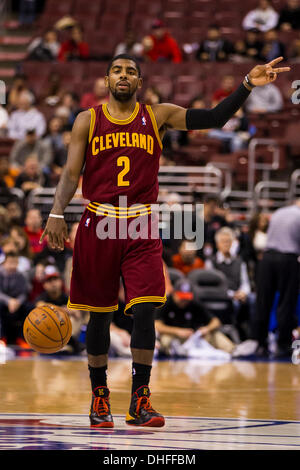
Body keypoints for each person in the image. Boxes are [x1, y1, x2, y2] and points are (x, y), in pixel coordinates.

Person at [40, 53, 290, 428]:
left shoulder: (157, 115)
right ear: (107, 80)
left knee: (145, 309)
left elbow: (214, 118)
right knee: (100, 314)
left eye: (131, 72)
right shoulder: (87, 120)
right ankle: (100, 396)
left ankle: (140, 399)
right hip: (99, 222)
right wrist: (57, 213)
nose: (123, 76)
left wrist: (248, 84)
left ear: (139, 83)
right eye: (117, 71)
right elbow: (71, 172)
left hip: (140, 223)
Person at [251, 199, 300, 358]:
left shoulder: (279, 212)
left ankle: (260, 343)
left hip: (267, 258)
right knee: (286, 302)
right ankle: (283, 344)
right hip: (288, 259)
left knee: (262, 301)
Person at [155, 278, 235, 356]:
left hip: (193, 337)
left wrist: (206, 329)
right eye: (181, 297)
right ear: (174, 293)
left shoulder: (194, 302)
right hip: (174, 336)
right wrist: (177, 331)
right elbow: (156, 325)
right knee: (166, 339)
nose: (184, 301)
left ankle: (233, 350)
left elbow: (216, 322)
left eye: (186, 298)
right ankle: (175, 351)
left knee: (215, 335)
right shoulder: (166, 302)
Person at [205, 227, 256, 340]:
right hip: (221, 295)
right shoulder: (211, 261)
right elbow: (211, 286)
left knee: (253, 299)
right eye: (223, 241)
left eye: (228, 241)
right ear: (217, 244)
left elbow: (245, 282)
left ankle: (254, 337)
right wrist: (231, 294)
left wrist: (243, 292)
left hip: (238, 294)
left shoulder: (239, 261)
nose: (226, 244)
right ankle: (234, 331)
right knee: (234, 304)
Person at [0, 252, 31, 347]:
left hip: (17, 304)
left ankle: (22, 338)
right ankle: (2, 338)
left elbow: (24, 293)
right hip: (3, 302)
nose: (12, 265)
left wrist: (17, 302)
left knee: (29, 307)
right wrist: (9, 301)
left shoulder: (21, 276)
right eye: (10, 262)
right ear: (4, 263)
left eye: (15, 263)